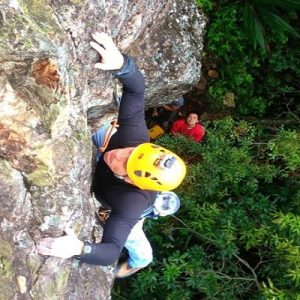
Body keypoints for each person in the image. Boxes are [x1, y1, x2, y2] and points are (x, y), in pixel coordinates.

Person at [37, 32, 186, 278]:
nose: (119, 156)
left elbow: (111, 250)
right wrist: (122, 65)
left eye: (127, 165)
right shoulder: (134, 137)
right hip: (103, 152)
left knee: (143, 254)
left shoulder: (131, 203)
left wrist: (79, 248)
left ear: (132, 180)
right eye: (132, 153)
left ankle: (131, 268)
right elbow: (137, 92)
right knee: (103, 133)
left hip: (116, 201)